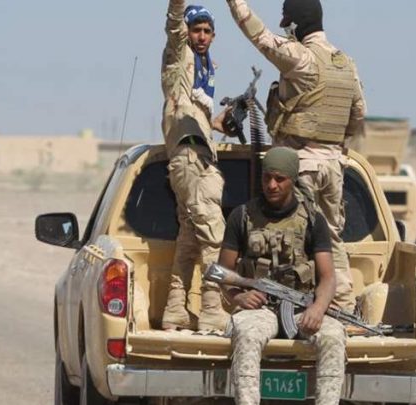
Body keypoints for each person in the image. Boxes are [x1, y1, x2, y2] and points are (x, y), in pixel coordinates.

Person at [223, 0, 366, 312]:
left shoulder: (301, 58)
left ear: (296, 23)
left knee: (295, 238)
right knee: (330, 238)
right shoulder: (346, 64)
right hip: (334, 166)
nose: (283, 25)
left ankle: (295, 309)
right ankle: (342, 307)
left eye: (285, 18)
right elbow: (358, 113)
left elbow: (258, 34)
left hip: (301, 165)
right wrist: (336, 147)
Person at [218, 147, 345, 405]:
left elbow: (328, 277)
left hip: (301, 309)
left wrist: (318, 308)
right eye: (267, 177)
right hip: (260, 309)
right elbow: (222, 273)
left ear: (293, 179)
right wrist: (239, 297)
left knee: (333, 336)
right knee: (247, 334)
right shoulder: (242, 216)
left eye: (280, 179)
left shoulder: (313, 220)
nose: (272, 185)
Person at [160, 0, 230, 331]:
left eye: (207, 31)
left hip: (199, 153)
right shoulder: (180, 57)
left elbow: (196, 113)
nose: (201, 36)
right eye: (196, 30)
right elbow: (174, 26)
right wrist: (178, 6)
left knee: (190, 237)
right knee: (213, 234)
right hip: (188, 156)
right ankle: (212, 308)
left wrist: (218, 123)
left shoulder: (203, 72)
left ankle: (176, 308)